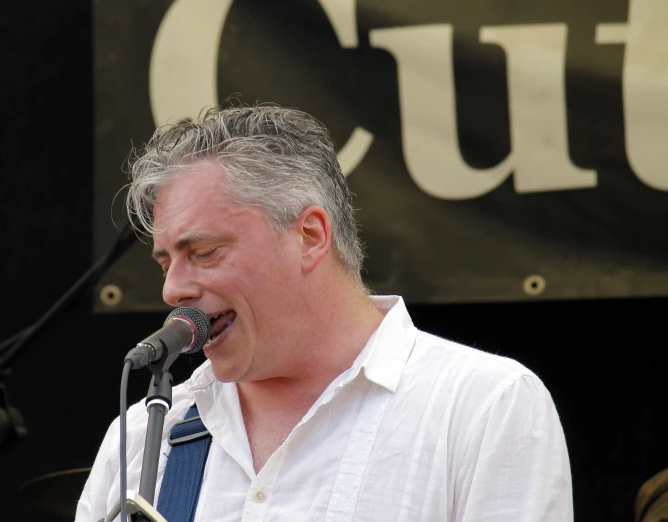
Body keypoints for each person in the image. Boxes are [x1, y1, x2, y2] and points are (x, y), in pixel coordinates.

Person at [75, 104, 573, 521]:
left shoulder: (483, 406)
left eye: (203, 252)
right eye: (166, 261)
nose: (173, 288)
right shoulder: (143, 433)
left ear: (309, 237)